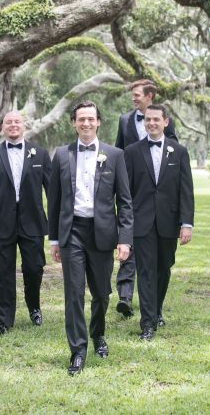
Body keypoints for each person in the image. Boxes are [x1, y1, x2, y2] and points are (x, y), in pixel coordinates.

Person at [48, 101, 133, 375]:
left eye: (90, 119)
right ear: (73, 123)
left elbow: (125, 201)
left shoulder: (115, 155)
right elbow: (55, 201)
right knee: (73, 293)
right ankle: (78, 350)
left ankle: (98, 334)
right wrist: (54, 240)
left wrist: (125, 239)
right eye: (81, 119)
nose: (86, 123)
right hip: (72, 232)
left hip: (103, 233)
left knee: (101, 293)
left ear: (98, 122)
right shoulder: (61, 155)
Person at [0, 111, 51, 335]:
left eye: (17, 122)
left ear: (24, 126)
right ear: (2, 128)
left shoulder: (40, 154)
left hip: (33, 222)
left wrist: (58, 219)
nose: (13, 125)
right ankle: (4, 320)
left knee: (34, 268)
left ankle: (34, 306)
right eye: (9, 122)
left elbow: (53, 189)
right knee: (2, 272)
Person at [123, 104, 193, 340]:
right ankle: (147, 323)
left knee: (164, 268)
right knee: (145, 271)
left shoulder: (179, 151)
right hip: (141, 222)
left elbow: (186, 191)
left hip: (168, 222)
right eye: (147, 119)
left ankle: (157, 309)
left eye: (156, 119)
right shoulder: (131, 152)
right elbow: (126, 193)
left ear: (166, 122)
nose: (151, 123)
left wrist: (186, 223)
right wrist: (126, 223)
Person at [114, 79, 177, 317]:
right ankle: (125, 296)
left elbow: (173, 149)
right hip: (131, 189)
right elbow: (119, 150)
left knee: (157, 260)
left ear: (150, 96)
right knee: (128, 243)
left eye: (138, 94)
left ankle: (149, 305)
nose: (133, 98)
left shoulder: (162, 119)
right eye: (132, 94)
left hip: (156, 195)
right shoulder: (124, 120)